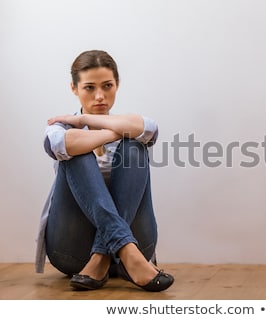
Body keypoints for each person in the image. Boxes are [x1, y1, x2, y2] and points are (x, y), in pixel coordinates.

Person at [35, 50, 174, 292]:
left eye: (107, 86)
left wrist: (87, 123)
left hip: (138, 247)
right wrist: (116, 130)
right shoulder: (60, 128)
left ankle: (103, 256)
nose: (100, 96)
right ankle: (124, 250)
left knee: (134, 149)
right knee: (75, 154)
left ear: (117, 85)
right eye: (89, 88)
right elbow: (62, 144)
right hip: (72, 252)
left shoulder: (131, 125)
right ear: (74, 88)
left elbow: (150, 128)